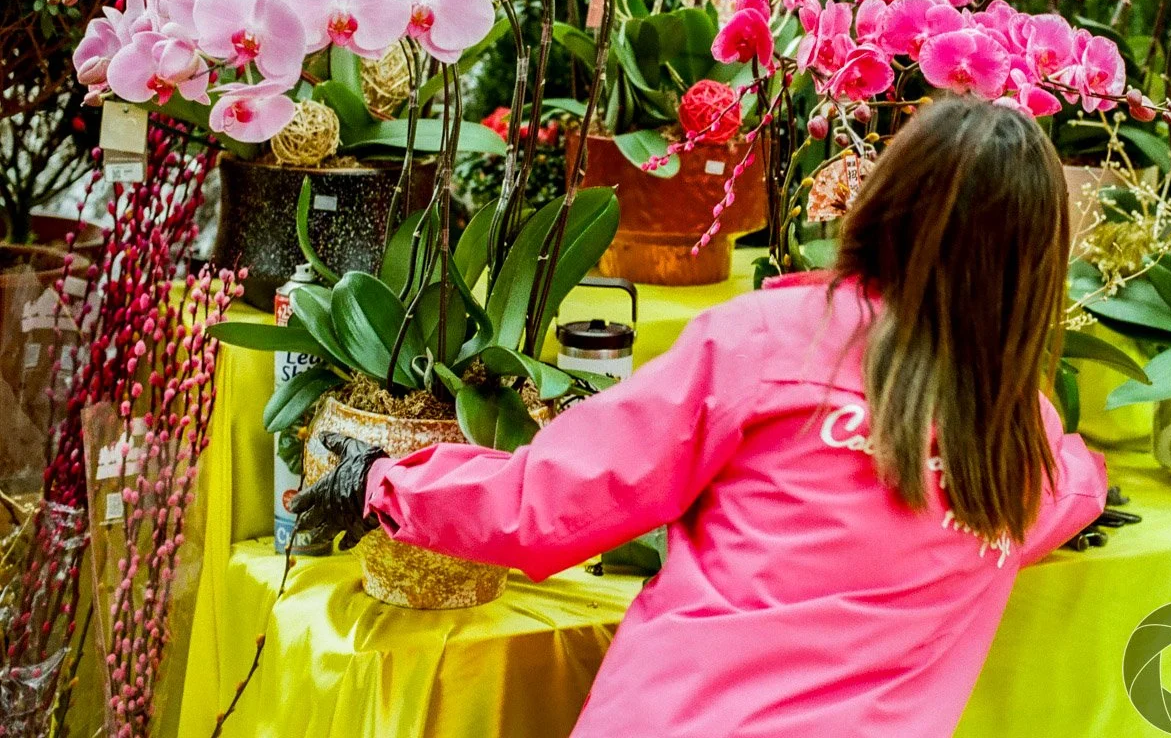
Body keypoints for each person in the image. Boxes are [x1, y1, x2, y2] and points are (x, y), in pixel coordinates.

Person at [291, 96, 1109, 738]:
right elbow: (1073, 489)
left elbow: (556, 497)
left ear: (883, 200)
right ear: (1038, 262)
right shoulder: (1021, 447)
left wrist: (382, 480)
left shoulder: (772, 341)